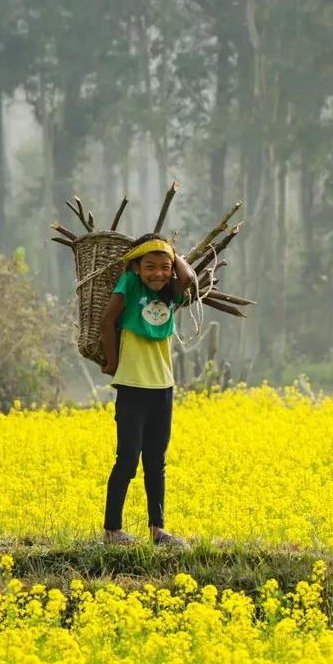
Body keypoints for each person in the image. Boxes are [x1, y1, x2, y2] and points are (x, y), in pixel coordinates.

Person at [99, 233, 196, 546]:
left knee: (156, 462)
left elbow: (188, 278)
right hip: (132, 385)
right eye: (150, 266)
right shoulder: (130, 284)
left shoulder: (171, 293)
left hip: (162, 387)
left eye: (165, 267)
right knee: (127, 459)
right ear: (137, 268)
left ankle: (158, 529)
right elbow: (107, 321)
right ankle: (112, 530)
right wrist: (112, 362)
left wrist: (172, 253)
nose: (158, 273)